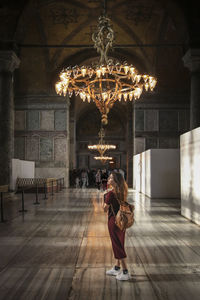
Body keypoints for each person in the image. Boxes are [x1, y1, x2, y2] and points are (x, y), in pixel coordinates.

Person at [103, 172, 130, 281]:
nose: (108, 179)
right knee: (120, 242)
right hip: (122, 221)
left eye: (110, 178)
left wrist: (104, 198)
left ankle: (125, 271)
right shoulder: (122, 192)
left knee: (117, 245)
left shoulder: (110, 194)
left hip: (113, 222)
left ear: (115, 181)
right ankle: (117, 267)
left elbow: (105, 209)